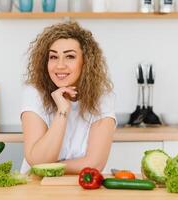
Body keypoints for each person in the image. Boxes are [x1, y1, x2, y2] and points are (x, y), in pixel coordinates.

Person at [20, 21, 116, 174]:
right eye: (53, 57)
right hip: (36, 186)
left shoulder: (102, 97)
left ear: (85, 62)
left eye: (70, 56)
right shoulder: (35, 93)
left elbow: (95, 165)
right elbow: (38, 161)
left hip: (81, 187)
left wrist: (50, 166)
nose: (60, 65)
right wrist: (62, 111)